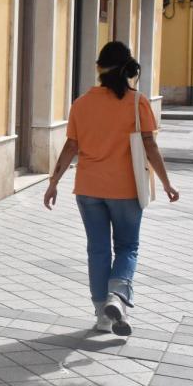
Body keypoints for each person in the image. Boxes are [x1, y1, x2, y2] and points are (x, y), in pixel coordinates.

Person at [43, 42, 180, 337]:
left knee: (98, 250)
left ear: (99, 69)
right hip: (126, 190)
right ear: (127, 69)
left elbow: (71, 146)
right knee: (127, 247)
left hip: (89, 189)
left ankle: (102, 316)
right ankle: (117, 296)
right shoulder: (137, 102)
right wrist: (166, 183)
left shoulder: (81, 103)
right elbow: (149, 145)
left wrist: (53, 183)